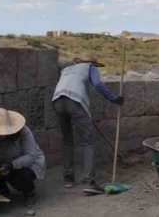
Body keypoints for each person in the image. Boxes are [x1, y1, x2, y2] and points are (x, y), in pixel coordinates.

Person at [53, 54, 124, 192]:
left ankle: (68, 179)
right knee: (88, 141)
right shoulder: (89, 67)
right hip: (75, 101)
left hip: (57, 101)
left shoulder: (67, 69)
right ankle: (89, 182)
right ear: (93, 63)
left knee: (67, 140)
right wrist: (114, 98)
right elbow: (97, 84)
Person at [0, 108, 46, 207]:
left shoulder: (23, 132)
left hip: (25, 164)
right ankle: (1, 194)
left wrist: (12, 165)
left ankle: (29, 193)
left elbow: (31, 155)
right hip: (1, 166)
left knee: (22, 176)